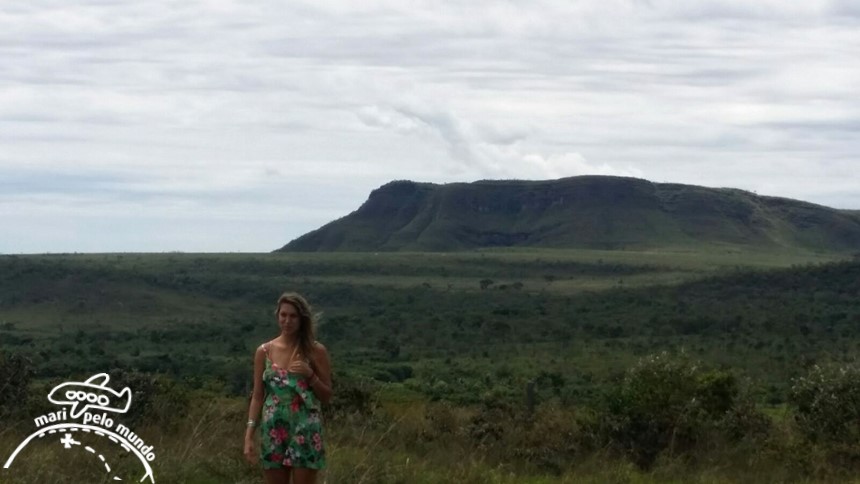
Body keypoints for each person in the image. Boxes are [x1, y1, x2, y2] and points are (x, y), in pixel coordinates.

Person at [244, 292, 333, 484]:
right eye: (283, 315)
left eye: (293, 316)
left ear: (302, 319)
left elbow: (326, 396)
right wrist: (249, 435)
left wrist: (310, 375)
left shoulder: (315, 351)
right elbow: (258, 395)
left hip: (305, 427)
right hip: (273, 428)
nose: (287, 320)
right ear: (277, 316)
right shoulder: (264, 352)